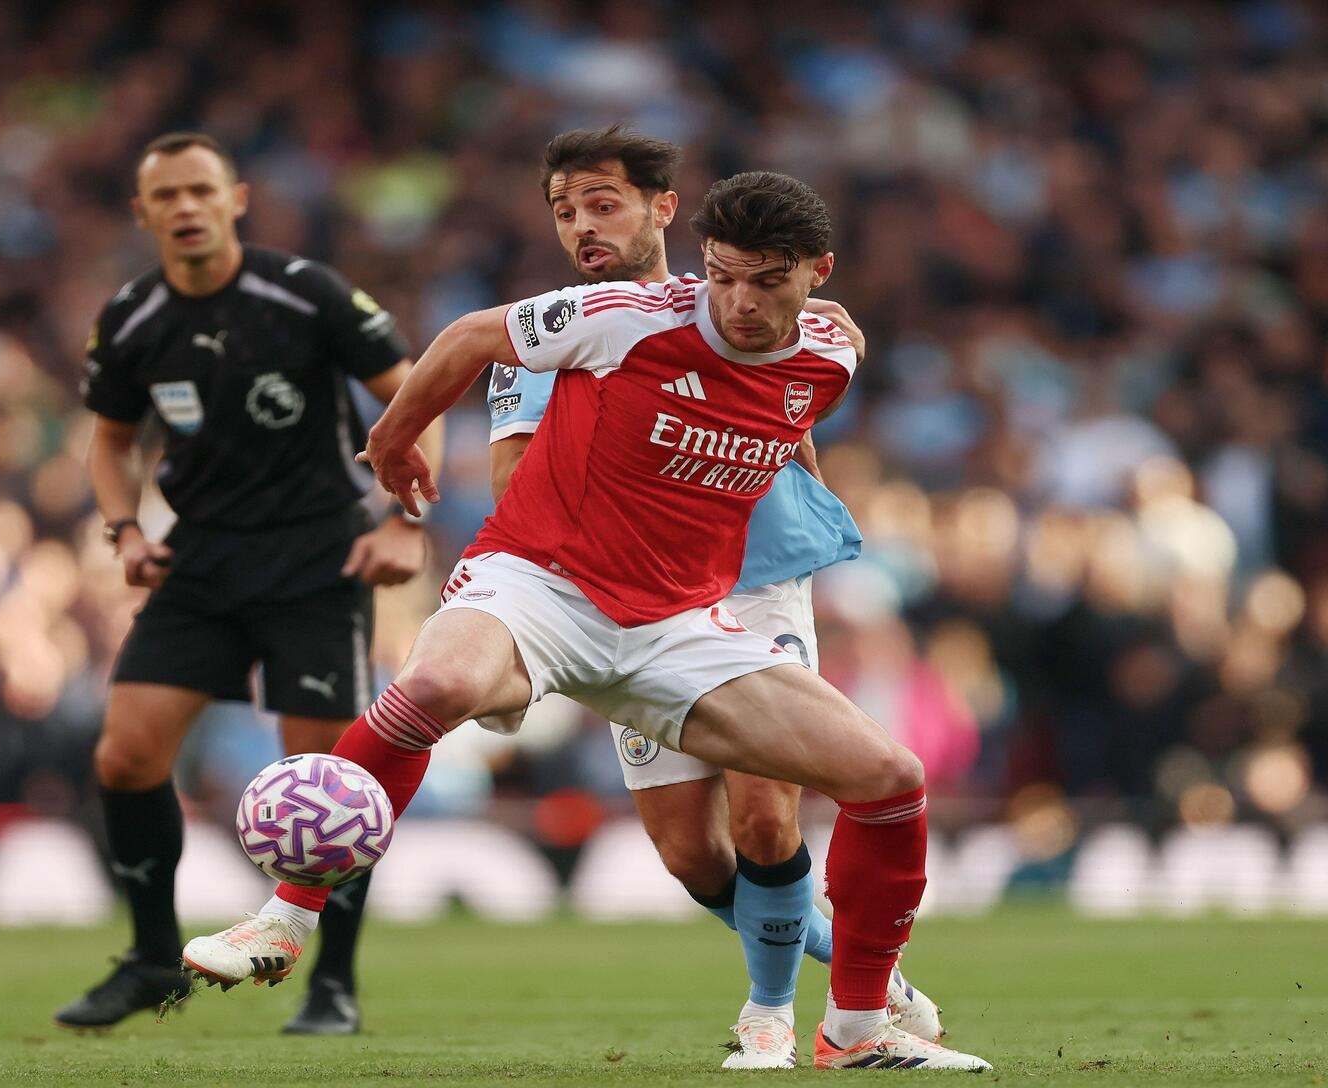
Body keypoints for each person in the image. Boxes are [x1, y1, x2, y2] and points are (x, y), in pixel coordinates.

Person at [184, 170, 992, 1071]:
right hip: (541, 584)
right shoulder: (624, 316)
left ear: (816, 273)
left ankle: (855, 1027)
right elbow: (466, 336)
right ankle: (287, 918)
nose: (739, 301)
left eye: (767, 281)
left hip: (681, 623)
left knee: (889, 777)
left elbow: (786, 429)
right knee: (438, 682)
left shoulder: (829, 359)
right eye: (723, 275)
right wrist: (391, 438)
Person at [484, 126, 940, 1068]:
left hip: (756, 585)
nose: (582, 226)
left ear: (665, 211)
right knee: (692, 854)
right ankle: (856, 963)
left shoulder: (768, 305)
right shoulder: (562, 327)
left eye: (602, 203)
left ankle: (770, 1015)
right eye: (564, 211)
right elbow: (513, 478)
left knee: (769, 815)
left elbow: (795, 410)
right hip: (633, 596)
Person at [55, 131, 443, 1035]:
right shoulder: (131, 317)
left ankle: (331, 985)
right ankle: (153, 960)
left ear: (236, 198)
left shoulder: (303, 294)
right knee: (125, 755)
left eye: (201, 190)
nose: (185, 208)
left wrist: (403, 520)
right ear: (142, 213)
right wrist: (123, 531)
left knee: (330, 788)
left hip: (317, 560)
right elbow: (110, 442)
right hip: (200, 561)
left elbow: (415, 395)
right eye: (167, 196)